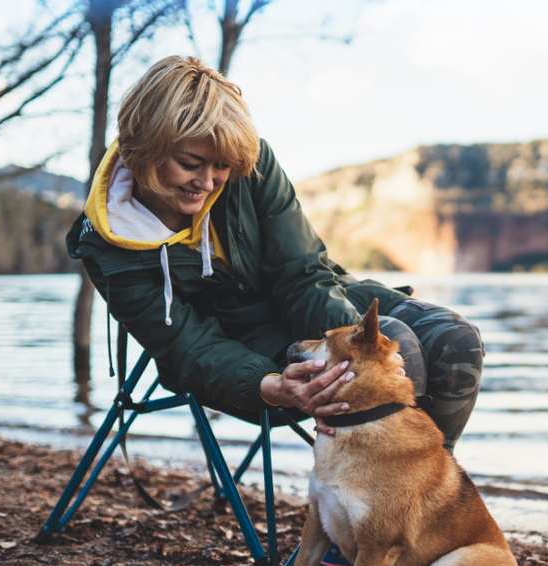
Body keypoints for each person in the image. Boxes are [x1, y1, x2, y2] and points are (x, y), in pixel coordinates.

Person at [66, 55, 484, 453]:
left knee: (455, 340)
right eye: (190, 163)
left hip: (321, 305)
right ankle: (367, 515)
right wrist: (271, 385)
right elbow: (189, 348)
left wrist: (356, 344)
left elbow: (302, 274)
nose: (208, 182)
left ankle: (420, 500)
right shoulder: (106, 247)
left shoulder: (252, 163)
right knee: (401, 348)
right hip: (241, 353)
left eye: (222, 167)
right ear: (146, 146)